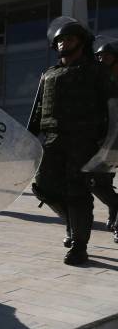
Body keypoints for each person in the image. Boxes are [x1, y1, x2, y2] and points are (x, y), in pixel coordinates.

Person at [30, 17, 116, 265]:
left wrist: (109, 146)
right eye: (59, 40)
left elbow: (113, 109)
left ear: (81, 42)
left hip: (85, 141)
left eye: (69, 39)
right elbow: (37, 110)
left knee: (78, 192)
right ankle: (71, 223)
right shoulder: (49, 74)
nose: (63, 43)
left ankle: (79, 244)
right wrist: (27, 139)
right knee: (43, 186)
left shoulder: (97, 71)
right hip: (53, 140)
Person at [89, 38, 118, 245]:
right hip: (102, 140)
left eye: (106, 55)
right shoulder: (97, 80)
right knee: (98, 182)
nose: (101, 59)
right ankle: (115, 207)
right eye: (99, 55)